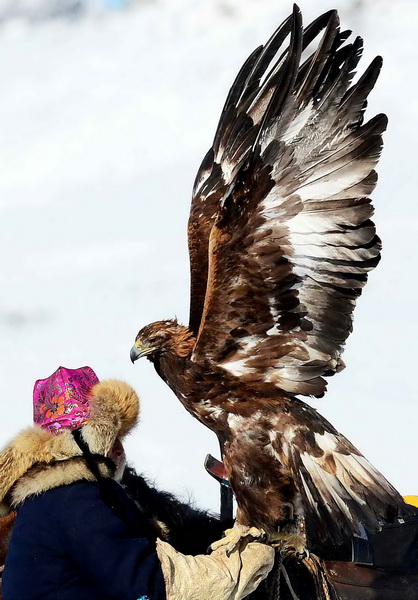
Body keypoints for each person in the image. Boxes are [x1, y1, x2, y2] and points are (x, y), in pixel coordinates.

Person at [0, 366, 274, 600]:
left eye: (121, 436)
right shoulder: (74, 501)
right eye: (107, 437)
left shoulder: (53, 499)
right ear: (75, 442)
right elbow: (157, 587)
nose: (119, 448)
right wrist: (242, 562)